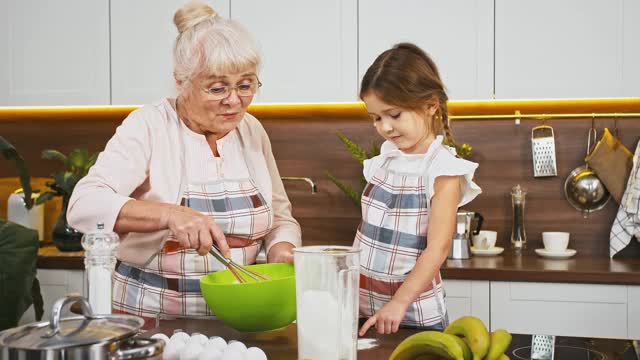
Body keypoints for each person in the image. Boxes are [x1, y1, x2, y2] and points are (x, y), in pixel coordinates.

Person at [67, 1, 301, 326]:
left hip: (236, 319)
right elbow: (84, 205)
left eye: (246, 85)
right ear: (181, 81)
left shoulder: (251, 131)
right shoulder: (149, 125)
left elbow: (280, 218)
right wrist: (170, 214)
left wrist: (282, 250)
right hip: (147, 321)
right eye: (217, 88)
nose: (234, 100)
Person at [355, 43, 481, 335]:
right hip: (363, 309)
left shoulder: (442, 168)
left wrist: (399, 303)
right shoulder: (382, 161)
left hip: (412, 314)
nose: (385, 126)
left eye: (394, 114)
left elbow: (437, 249)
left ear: (430, 105)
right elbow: (365, 235)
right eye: (376, 117)